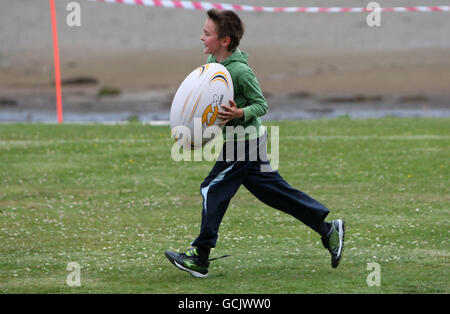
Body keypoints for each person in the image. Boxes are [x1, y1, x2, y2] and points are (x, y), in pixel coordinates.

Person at [165, 9, 345, 278]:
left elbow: (261, 105)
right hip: (244, 141)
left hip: (243, 143)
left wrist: (240, 113)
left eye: (207, 33)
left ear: (224, 40)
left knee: (212, 189)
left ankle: (199, 257)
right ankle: (328, 231)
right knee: (274, 193)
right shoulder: (215, 64)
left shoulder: (240, 71)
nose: (201, 37)